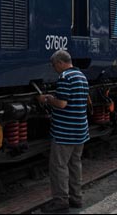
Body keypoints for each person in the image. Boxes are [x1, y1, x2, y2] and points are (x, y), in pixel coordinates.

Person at [37, 50, 90, 213]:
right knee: (75, 165)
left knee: (59, 166)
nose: (54, 69)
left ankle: (60, 201)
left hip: (65, 132)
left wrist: (47, 98)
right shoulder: (82, 76)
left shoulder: (65, 78)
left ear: (60, 62)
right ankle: (76, 198)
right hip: (80, 130)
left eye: (54, 65)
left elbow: (62, 104)